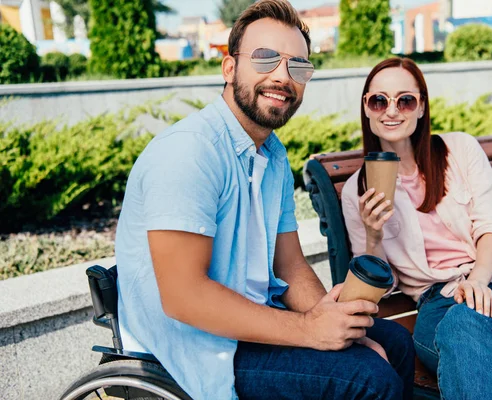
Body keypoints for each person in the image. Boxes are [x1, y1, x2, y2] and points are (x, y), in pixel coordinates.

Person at [114, 1, 415, 399]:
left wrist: (332, 320)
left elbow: (288, 264)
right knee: (367, 379)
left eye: (298, 67)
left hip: (252, 322)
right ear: (228, 68)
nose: (282, 76)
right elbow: (184, 297)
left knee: (393, 343)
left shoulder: (272, 155)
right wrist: (309, 330)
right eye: (265, 58)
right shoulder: (189, 151)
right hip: (197, 344)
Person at [341, 57, 492, 400]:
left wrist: (477, 283)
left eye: (405, 100)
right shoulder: (357, 191)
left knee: (465, 326)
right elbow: (380, 287)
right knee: (489, 360)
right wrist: (374, 235)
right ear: (367, 108)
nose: (391, 111)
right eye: (379, 100)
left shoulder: (460, 149)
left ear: (422, 107)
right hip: (436, 306)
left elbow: (491, 227)